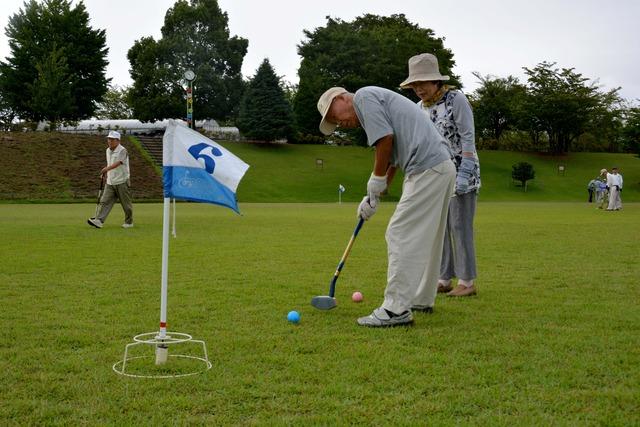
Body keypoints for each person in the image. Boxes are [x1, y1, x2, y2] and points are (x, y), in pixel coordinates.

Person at [317, 86, 455, 327]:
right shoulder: (376, 102)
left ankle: (395, 309)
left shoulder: (363, 97)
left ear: (341, 97)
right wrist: (375, 195)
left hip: (427, 167)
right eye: (333, 122)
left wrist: (376, 180)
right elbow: (391, 156)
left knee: (399, 233)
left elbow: (385, 139)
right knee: (428, 237)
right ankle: (420, 299)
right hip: (439, 166)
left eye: (334, 114)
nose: (339, 122)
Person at [399, 53, 480, 297]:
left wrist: (464, 172)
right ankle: (444, 278)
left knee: (459, 225)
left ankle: (467, 282)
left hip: (463, 172)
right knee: (440, 227)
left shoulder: (456, 100)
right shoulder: (418, 108)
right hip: (435, 174)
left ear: (436, 81)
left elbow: (467, 136)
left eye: (423, 83)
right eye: (415, 85)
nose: (419, 89)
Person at [88, 131, 134, 228]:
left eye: (112, 139)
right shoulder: (107, 150)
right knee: (105, 201)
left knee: (126, 205)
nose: (109, 141)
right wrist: (105, 173)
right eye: (109, 139)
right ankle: (99, 221)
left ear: (118, 140)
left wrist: (106, 169)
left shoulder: (123, 150)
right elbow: (110, 164)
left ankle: (129, 222)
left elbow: (119, 162)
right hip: (110, 181)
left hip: (122, 181)